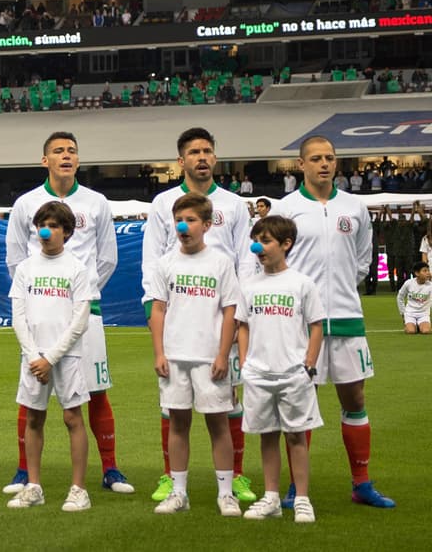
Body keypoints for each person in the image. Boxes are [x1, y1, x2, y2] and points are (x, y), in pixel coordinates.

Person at [5, 132, 132, 496]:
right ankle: (23, 472)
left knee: (96, 390)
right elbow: (16, 258)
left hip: (83, 313)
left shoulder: (96, 202)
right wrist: (39, 298)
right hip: (40, 313)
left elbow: (107, 258)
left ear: (78, 160)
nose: (66, 156)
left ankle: (110, 469)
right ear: (44, 160)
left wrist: (82, 294)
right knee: (32, 389)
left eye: (72, 151)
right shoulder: (26, 203)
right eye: (58, 151)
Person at [140, 128, 256, 504]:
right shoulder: (162, 204)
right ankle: (170, 478)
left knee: (227, 402)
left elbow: (246, 263)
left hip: (220, 320)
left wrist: (241, 320)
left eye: (207, 151)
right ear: (181, 161)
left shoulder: (235, 205)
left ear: (215, 158)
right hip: (177, 318)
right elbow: (152, 260)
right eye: (194, 152)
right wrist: (152, 311)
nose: (201, 157)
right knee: (172, 407)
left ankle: (234, 478)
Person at [278, 135, 394, 508]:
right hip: (299, 322)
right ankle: (298, 486)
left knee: (355, 398)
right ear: (301, 165)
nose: (324, 164)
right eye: (316, 158)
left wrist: (341, 288)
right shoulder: (286, 208)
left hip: (346, 318)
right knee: (300, 402)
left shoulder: (355, 208)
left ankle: (361, 483)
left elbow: (362, 260)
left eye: (329, 158)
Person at [148, 194, 241, 516]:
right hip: (175, 357)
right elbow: (158, 308)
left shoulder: (220, 263)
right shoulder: (166, 263)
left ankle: (226, 493)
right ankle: (178, 492)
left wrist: (222, 355)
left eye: (190, 220)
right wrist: (159, 352)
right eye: (178, 220)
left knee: (219, 425)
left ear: (207, 224)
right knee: (178, 424)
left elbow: (231, 311)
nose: (183, 226)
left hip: (209, 358)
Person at [6, 201, 95, 512]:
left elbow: (79, 321)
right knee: (33, 418)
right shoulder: (26, 268)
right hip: (32, 357)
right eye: (42, 224)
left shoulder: (77, 269)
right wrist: (34, 355)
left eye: (54, 226)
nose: (46, 231)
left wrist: (51, 358)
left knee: (73, 418)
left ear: (67, 232)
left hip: (65, 357)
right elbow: (17, 315)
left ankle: (79, 489)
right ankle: (34, 486)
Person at [238, 215, 324, 524]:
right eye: (256, 240)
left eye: (265, 241)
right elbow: (243, 325)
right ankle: (271, 496)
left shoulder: (302, 283)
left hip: (293, 373)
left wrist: (309, 363)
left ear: (286, 244)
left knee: (296, 437)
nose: (257, 247)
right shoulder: (248, 285)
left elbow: (316, 325)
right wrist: (246, 362)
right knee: (266, 436)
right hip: (258, 374)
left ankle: (301, 498)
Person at [396, 264, 432, 334]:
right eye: (424, 271)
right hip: (410, 313)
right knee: (411, 331)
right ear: (417, 273)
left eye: (428, 271)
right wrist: (403, 313)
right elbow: (400, 297)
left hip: (423, 314)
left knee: (426, 331)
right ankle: (411, 325)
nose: (428, 273)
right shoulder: (409, 283)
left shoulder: (430, 285)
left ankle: (419, 325)